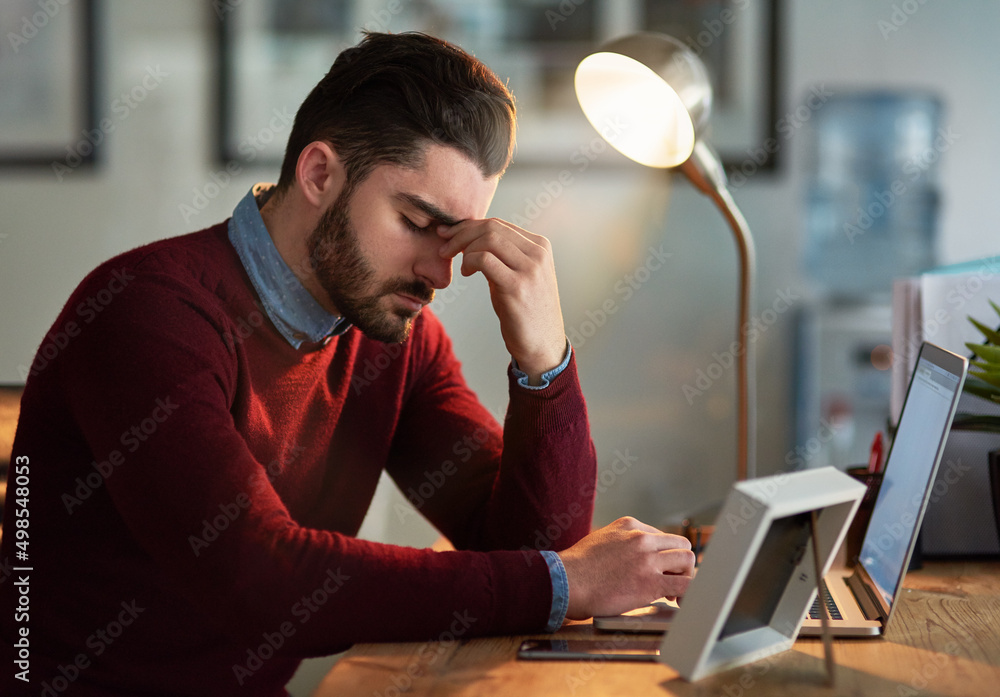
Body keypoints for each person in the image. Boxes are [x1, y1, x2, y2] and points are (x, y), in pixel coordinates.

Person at [0, 32, 694, 696]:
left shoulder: (391, 336)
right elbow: (260, 580)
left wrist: (545, 362)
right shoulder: (146, 315)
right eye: (419, 224)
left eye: (454, 237)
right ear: (320, 173)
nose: (440, 272)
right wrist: (560, 583)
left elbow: (536, 545)